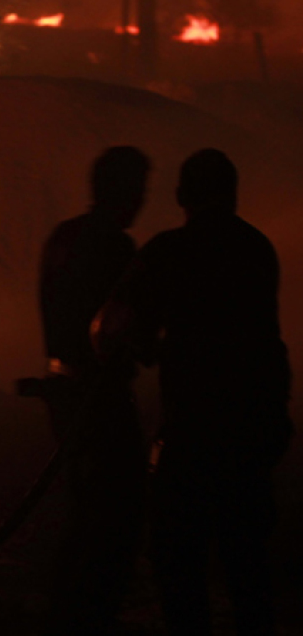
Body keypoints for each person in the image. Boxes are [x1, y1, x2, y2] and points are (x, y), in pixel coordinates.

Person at [94, 148, 293, 636]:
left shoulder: (167, 251)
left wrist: (134, 348)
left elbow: (112, 328)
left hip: (192, 431)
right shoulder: (258, 249)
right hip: (252, 429)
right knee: (247, 567)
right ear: (233, 194)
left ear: (182, 196)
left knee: (178, 562)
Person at [37, 146, 150, 635]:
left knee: (84, 508)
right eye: (139, 189)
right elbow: (126, 329)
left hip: (62, 390)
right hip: (98, 397)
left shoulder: (63, 237)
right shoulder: (115, 247)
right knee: (116, 510)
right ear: (125, 192)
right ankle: (90, 615)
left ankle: (66, 611)